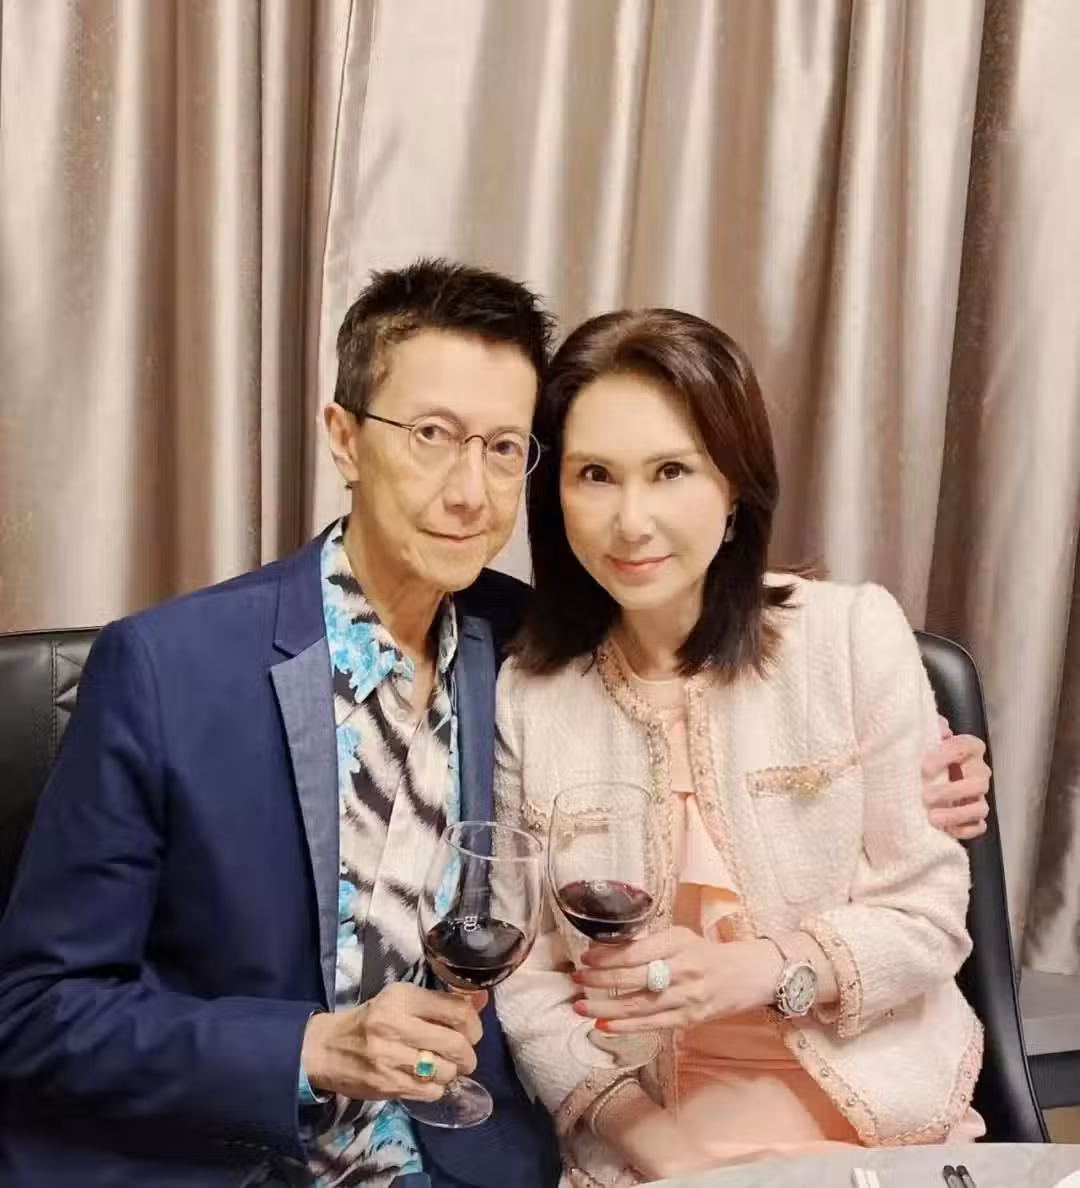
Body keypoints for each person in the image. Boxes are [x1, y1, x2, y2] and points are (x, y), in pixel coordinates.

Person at [0, 261, 988, 1188]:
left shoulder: (524, 649)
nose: (469, 491)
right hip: (245, 1159)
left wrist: (929, 764)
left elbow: (737, 699)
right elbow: (33, 1009)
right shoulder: (170, 670)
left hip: (469, 1161)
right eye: (431, 434)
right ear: (344, 437)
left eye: (504, 448)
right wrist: (311, 1047)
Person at [493, 308, 987, 1187]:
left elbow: (927, 914)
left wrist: (764, 970)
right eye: (595, 474)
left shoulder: (850, 638)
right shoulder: (531, 698)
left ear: (733, 489)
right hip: (649, 1146)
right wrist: (656, 1146)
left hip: (882, 1133)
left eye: (671, 471)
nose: (631, 520)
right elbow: (527, 979)